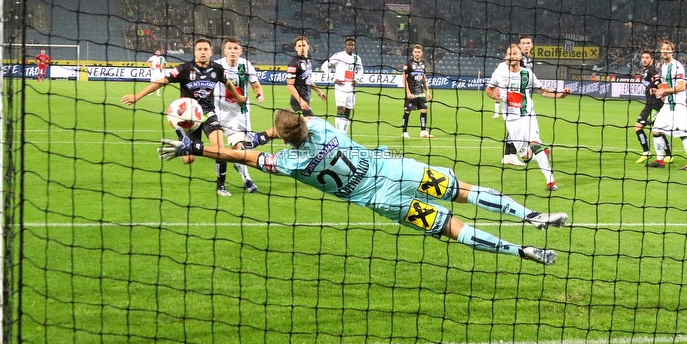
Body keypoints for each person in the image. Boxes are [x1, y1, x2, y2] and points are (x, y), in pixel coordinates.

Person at [158, 109, 569, 265]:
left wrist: (195, 145)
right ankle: (530, 216)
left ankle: (521, 251)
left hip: (381, 199)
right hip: (396, 168)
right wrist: (262, 134)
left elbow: (238, 157)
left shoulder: (289, 163)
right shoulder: (318, 124)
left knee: (449, 226)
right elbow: (288, 122)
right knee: (462, 188)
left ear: (284, 138)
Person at [121, 38, 247, 196]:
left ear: (211, 52)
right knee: (189, 160)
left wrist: (237, 96)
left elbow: (227, 82)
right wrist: (138, 96)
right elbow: (162, 82)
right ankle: (182, 137)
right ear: (194, 52)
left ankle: (221, 186)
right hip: (189, 119)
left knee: (220, 148)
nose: (202, 52)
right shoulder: (184, 69)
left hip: (208, 114)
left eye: (205, 49)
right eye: (199, 49)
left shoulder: (218, 69)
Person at [485, 44, 571, 191]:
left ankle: (550, 181)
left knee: (534, 143)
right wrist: (493, 95)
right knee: (525, 156)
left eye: (514, 53)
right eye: (509, 53)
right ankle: (541, 155)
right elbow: (489, 89)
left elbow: (542, 91)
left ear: (520, 56)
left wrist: (560, 95)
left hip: (527, 115)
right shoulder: (499, 73)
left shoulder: (527, 74)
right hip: (510, 120)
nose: (511, 55)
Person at [216, 37, 264, 192]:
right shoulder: (217, 65)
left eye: (235, 48)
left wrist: (259, 94)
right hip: (223, 112)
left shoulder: (246, 65)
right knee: (237, 145)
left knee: (244, 147)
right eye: (229, 48)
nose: (232, 51)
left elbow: (256, 85)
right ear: (224, 51)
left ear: (240, 51)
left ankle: (241, 169)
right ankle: (247, 180)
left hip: (242, 112)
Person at [647, 40, 687, 169]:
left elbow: (681, 86)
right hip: (667, 105)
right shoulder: (663, 67)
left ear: (672, 51)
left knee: (683, 134)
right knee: (656, 130)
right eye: (663, 49)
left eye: (667, 49)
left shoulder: (677, 66)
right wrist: (659, 92)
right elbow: (667, 87)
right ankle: (660, 160)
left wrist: (664, 90)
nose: (665, 51)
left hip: (677, 105)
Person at [501, 35, 537, 166]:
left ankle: (509, 156)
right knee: (516, 128)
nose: (526, 45)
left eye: (528, 43)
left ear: (532, 45)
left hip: (521, 96)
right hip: (513, 96)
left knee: (517, 129)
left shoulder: (528, 60)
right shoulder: (517, 58)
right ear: (519, 45)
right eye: (523, 43)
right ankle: (510, 156)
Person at [633, 50, 673, 164]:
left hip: (655, 105)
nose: (644, 59)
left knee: (639, 127)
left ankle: (647, 152)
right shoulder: (647, 72)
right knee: (656, 129)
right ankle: (668, 155)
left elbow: (661, 87)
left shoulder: (653, 72)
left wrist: (662, 96)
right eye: (643, 57)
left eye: (647, 57)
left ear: (652, 60)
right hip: (649, 104)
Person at [323, 36, 364, 133]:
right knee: (340, 108)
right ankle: (338, 132)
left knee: (348, 111)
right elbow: (325, 65)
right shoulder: (339, 55)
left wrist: (357, 79)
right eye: (348, 45)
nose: (350, 46)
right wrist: (333, 78)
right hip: (340, 88)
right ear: (345, 45)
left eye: (352, 45)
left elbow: (361, 70)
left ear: (354, 46)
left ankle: (344, 133)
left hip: (350, 89)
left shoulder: (356, 58)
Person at [286, 36, 327, 116]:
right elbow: (290, 85)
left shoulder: (308, 61)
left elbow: (307, 79)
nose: (302, 48)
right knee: (310, 124)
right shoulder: (293, 64)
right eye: (299, 46)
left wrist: (318, 91)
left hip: (305, 100)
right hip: (298, 102)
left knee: (301, 127)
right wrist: (301, 101)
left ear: (308, 46)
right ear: (295, 48)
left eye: (304, 45)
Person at [401, 43, 434, 139]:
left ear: (422, 53)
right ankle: (404, 131)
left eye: (419, 52)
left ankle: (423, 131)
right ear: (412, 53)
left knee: (425, 109)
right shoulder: (408, 64)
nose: (417, 53)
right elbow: (404, 79)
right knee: (408, 111)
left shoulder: (423, 64)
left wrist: (428, 91)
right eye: (415, 52)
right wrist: (408, 92)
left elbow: (423, 79)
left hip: (421, 91)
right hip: (411, 92)